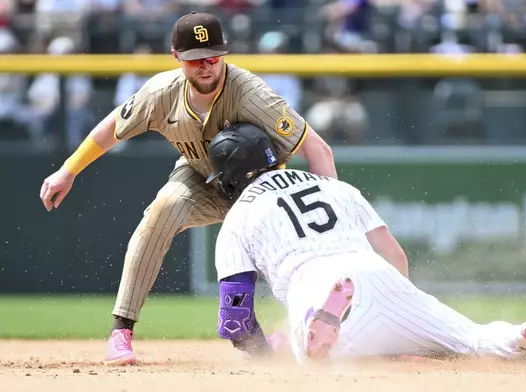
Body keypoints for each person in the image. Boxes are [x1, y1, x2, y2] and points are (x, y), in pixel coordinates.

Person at [38, 11, 337, 366]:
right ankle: (121, 331)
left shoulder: (252, 94)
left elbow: (317, 148)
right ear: (177, 57)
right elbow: (112, 127)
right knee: (161, 212)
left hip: (260, 191)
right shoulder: (161, 93)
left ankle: (296, 335)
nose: (206, 66)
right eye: (196, 59)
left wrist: (330, 218)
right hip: (199, 177)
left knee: (284, 272)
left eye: (213, 56)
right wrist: (68, 170)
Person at [207, 123, 526, 363]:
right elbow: (394, 255)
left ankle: (323, 322)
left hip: (311, 283)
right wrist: (399, 306)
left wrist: (264, 355)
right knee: (472, 340)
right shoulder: (332, 185)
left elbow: (235, 322)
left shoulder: (237, 218)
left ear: (227, 179)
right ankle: (520, 334)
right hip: (378, 272)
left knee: (316, 366)